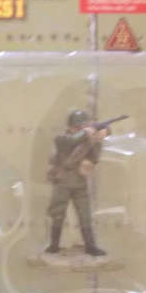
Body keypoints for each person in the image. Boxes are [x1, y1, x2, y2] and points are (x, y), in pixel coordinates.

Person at [46, 110, 108, 256]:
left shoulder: (87, 142)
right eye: (78, 127)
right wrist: (86, 133)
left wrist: (97, 139)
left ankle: (90, 246)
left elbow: (95, 157)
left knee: (85, 215)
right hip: (62, 181)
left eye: (83, 127)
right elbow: (68, 144)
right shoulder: (62, 139)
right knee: (58, 214)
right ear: (70, 127)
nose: (80, 130)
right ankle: (54, 245)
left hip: (80, 182)